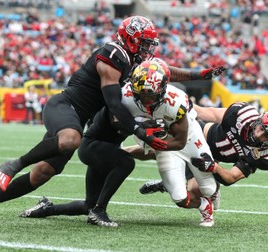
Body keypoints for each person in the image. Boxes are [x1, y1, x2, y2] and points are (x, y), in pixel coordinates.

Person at [0, 15, 225, 225]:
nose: (149, 49)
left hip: (78, 119)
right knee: (71, 140)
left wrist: (200, 74)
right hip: (65, 106)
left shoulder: (133, 61)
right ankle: (13, 164)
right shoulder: (113, 55)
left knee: (44, 172)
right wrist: (139, 129)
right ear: (132, 40)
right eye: (145, 43)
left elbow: (166, 71)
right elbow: (113, 102)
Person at [19, 59, 219, 227]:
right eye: (143, 94)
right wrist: (146, 134)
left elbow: (180, 140)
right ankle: (100, 211)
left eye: (151, 94)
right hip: (97, 144)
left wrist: (154, 138)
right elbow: (120, 121)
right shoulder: (124, 97)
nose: (147, 100)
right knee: (129, 166)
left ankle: (47, 208)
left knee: (89, 203)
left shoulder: (176, 101)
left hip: (171, 140)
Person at [130, 102, 268, 203]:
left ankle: (166, 185)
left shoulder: (265, 156)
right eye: (262, 128)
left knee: (192, 190)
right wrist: (186, 105)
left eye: (266, 137)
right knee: (157, 149)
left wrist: (213, 167)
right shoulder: (243, 114)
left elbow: (231, 178)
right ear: (259, 119)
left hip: (212, 158)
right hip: (202, 136)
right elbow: (209, 113)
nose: (258, 134)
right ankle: (123, 152)